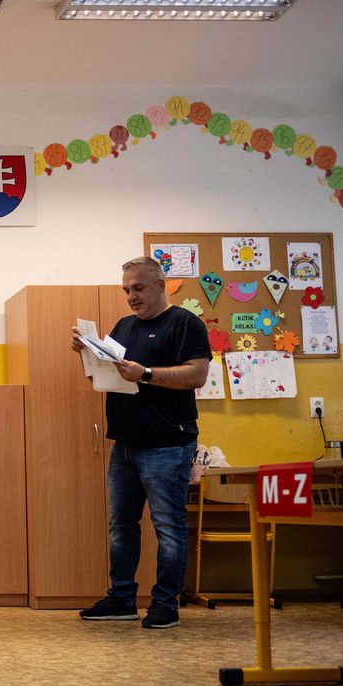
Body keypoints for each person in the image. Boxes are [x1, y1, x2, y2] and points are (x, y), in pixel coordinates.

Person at [72, 257, 211, 629]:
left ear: (160, 285)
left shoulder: (185, 323)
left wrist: (146, 374)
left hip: (168, 443)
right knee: (122, 524)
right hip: (125, 444)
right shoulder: (124, 326)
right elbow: (111, 377)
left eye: (138, 288)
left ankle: (166, 604)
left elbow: (197, 374)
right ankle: (122, 599)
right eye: (126, 290)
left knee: (168, 526)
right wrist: (90, 357)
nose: (131, 297)